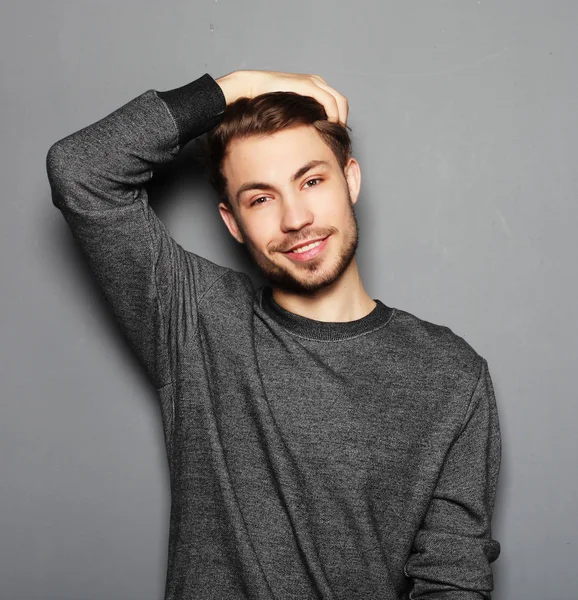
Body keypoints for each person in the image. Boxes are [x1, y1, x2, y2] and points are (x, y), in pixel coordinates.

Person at [46, 69, 501, 599]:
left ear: (350, 180)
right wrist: (234, 85)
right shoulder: (196, 319)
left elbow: (453, 578)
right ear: (233, 222)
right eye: (260, 198)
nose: (296, 218)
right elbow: (80, 171)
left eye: (311, 181)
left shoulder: (450, 373)